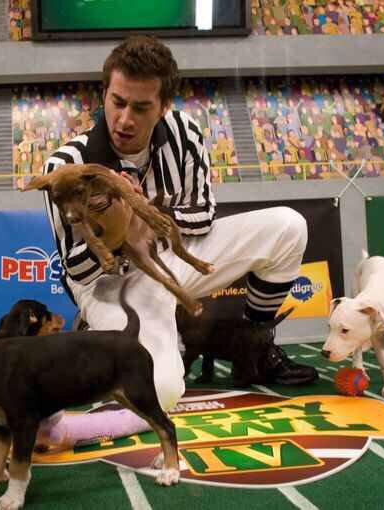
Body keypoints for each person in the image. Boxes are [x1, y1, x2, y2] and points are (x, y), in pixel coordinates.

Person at [40, 36, 317, 412]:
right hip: (111, 282)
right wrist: (116, 231)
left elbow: (203, 215)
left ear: (163, 107)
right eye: (118, 102)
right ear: (104, 94)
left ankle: (256, 344)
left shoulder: (184, 133)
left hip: (170, 253)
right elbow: (75, 270)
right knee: (162, 390)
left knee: (288, 227)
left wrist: (146, 215)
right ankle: (99, 335)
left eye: (141, 107)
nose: (125, 119)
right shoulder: (65, 164)